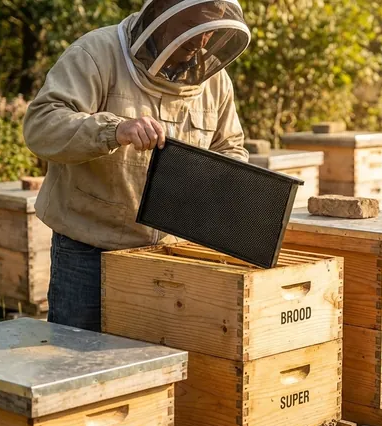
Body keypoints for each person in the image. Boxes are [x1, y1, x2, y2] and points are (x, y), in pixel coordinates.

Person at [22, 0, 251, 332]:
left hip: (170, 256)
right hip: (89, 251)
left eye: (209, 29)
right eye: (191, 25)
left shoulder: (214, 80)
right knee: (75, 361)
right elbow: (41, 126)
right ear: (160, 11)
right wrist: (115, 130)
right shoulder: (97, 53)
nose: (199, 41)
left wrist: (227, 185)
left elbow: (229, 147)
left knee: (151, 371)